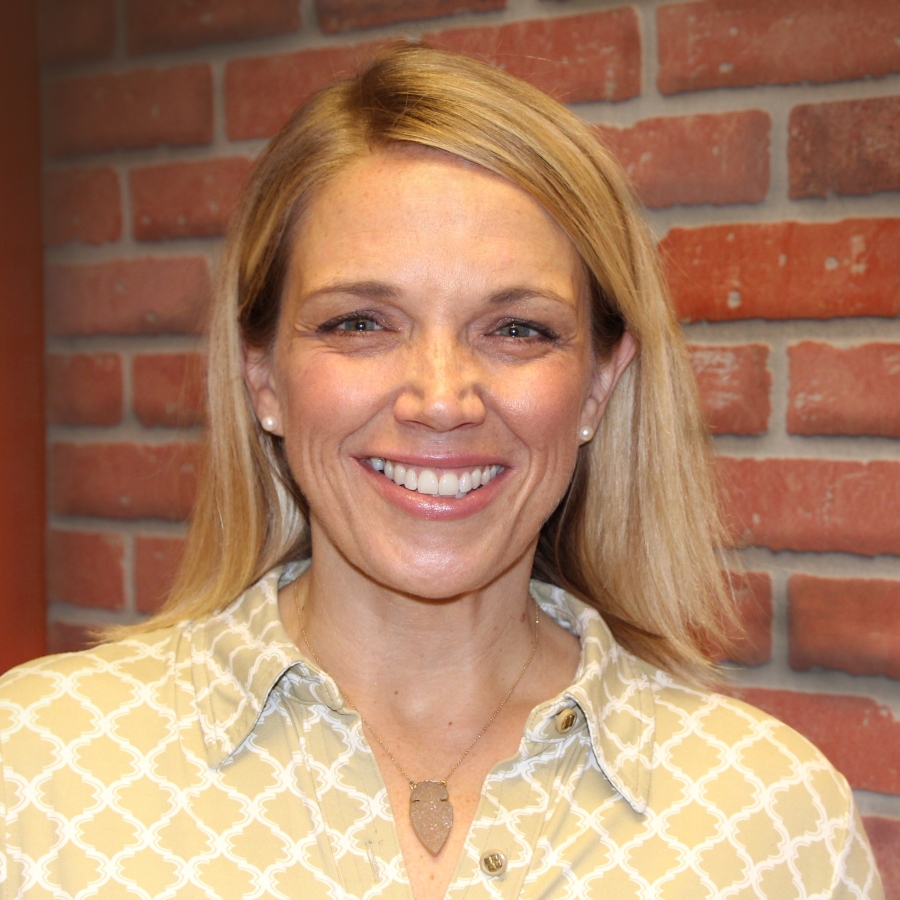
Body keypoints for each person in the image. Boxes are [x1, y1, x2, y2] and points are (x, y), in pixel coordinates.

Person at [0, 44, 882, 899]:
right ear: (261, 375)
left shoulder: (773, 817)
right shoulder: (38, 768)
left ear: (599, 387)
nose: (441, 398)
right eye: (360, 323)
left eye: (517, 330)